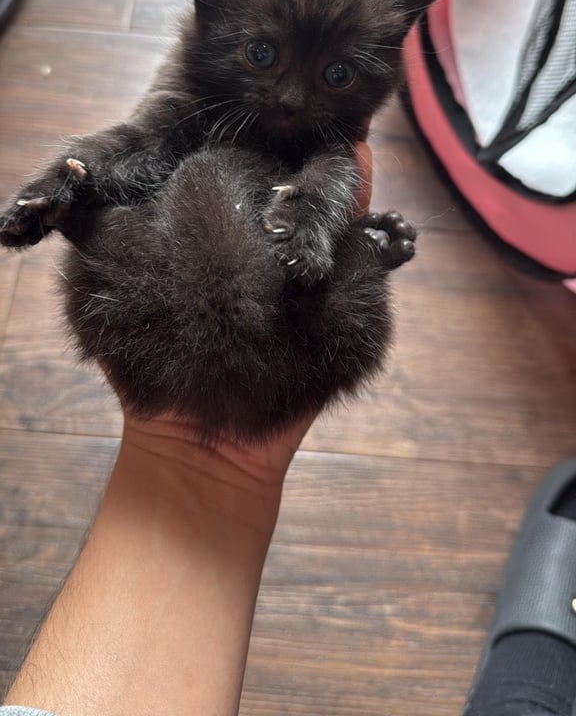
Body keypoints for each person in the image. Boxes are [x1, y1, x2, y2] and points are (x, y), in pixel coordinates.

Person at [3, 143, 576, 716]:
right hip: (240, 371)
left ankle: (529, 679)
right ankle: (532, 677)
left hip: (188, 362)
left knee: (201, 176)